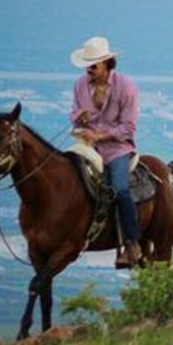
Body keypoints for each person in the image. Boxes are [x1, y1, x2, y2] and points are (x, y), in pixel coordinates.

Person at [69, 36, 142, 268]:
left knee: (120, 189)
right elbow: (73, 114)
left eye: (93, 65)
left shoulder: (126, 87)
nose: (88, 70)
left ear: (106, 64)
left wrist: (100, 135)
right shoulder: (80, 85)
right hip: (86, 146)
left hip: (117, 148)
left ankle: (132, 243)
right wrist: (78, 118)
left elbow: (128, 127)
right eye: (86, 65)